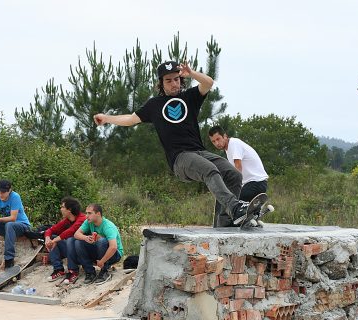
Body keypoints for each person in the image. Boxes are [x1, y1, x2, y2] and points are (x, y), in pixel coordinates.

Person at [93, 61, 246, 227]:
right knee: (209, 169)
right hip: (180, 159)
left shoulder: (190, 97)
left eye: (176, 79)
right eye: (169, 81)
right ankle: (235, 208)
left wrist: (192, 73)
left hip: (199, 152)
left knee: (234, 175)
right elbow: (130, 119)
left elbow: (208, 82)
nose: (174, 84)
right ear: (161, 83)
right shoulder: (154, 105)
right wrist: (107, 118)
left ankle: (226, 222)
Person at [0, 180, 31, 270]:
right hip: (7, 227)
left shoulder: (15, 197)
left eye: (3, 192)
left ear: (9, 190)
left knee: (10, 224)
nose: (0, 194)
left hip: (21, 226)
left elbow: (13, 218)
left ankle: (9, 258)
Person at [208, 126, 269, 202]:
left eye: (218, 139)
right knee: (233, 202)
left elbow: (238, 166)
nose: (217, 143)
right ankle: (254, 211)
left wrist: (235, 188)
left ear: (225, 136)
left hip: (256, 183)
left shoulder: (234, 143)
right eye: (213, 141)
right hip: (253, 184)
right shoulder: (228, 149)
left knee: (232, 201)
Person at [67, 204, 123, 285]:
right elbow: (76, 234)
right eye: (86, 213)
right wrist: (86, 238)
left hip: (114, 254)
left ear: (98, 214)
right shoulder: (89, 222)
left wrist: (102, 261)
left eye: (90, 213)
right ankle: (90, 272)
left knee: (102, 241)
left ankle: (104, 271)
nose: (86, 216)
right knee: (78, 242)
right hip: (99, 252)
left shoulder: (108, 226)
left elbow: (113, 247)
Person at [44, 196, 86, 282]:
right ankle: (58, 269)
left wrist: (55, 240)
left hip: (83, 253)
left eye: (62, 207)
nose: (61, 209)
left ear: (69, 209)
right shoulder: (67, 220)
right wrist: (48, 239)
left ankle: (73, 271)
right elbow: (50, 230)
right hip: (72, 252)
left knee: (70, 239)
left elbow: (71, 231)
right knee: (53, 237)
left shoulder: (82, 218)